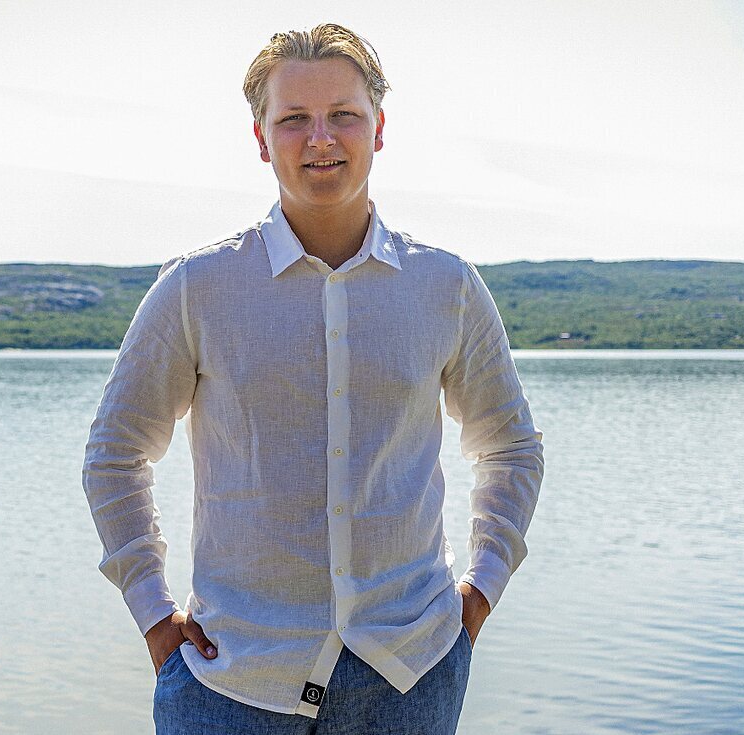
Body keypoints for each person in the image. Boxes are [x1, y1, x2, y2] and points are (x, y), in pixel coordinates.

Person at [82, 22, 544, 735]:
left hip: (411, 678)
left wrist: (479, 592)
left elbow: (510, 448)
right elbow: (115, 453)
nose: (320, 138)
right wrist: (151, 614)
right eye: (293, 119)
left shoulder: (445, 286)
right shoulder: (197, 288)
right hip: (229, 684)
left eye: (343, 116)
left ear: (379, 128)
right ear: (262, 138)